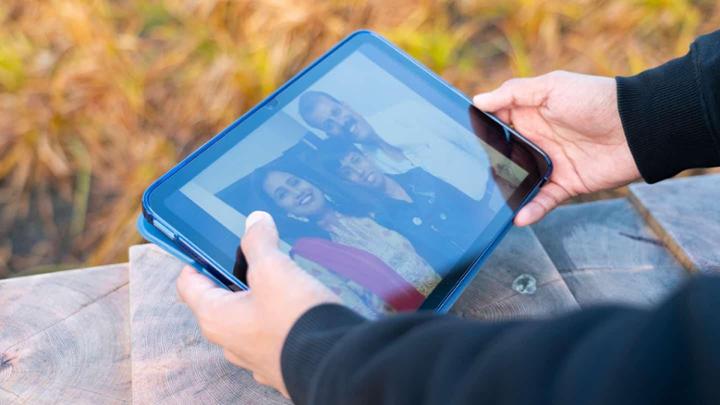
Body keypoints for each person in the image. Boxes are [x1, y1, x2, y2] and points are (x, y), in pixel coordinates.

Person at [177, 30, 720, 404]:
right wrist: (651, 115)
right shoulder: (346, 225)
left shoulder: (410, 135)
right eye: (333, 132)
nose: (345, 127)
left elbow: (649, 375)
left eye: (340, 112)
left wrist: (328, 362)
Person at [251, 166, 442, 297]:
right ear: (283, 210)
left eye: (294, 182)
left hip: (452, 287)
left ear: (309, 181)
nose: (297, 192)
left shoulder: (367, 208)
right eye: (282, 194)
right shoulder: (309, 257)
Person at [315, 138, 493, 271]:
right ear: (348, 182)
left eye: (356, 160)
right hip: (469, 275)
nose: (358, 171)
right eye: (348, 172)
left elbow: (475, 208)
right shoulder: (384, 221)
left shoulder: (422, 175)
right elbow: (431, 260)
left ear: (366, 157)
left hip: (495, 241)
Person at [298, 91, 493, 201]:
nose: (340, 123)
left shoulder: (408, 112)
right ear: (328, 134)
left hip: (496, 188)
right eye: (329, 124)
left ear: (345, 105)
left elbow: (472, 141)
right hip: (476, 223)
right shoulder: (369, 166)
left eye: (336, 112)